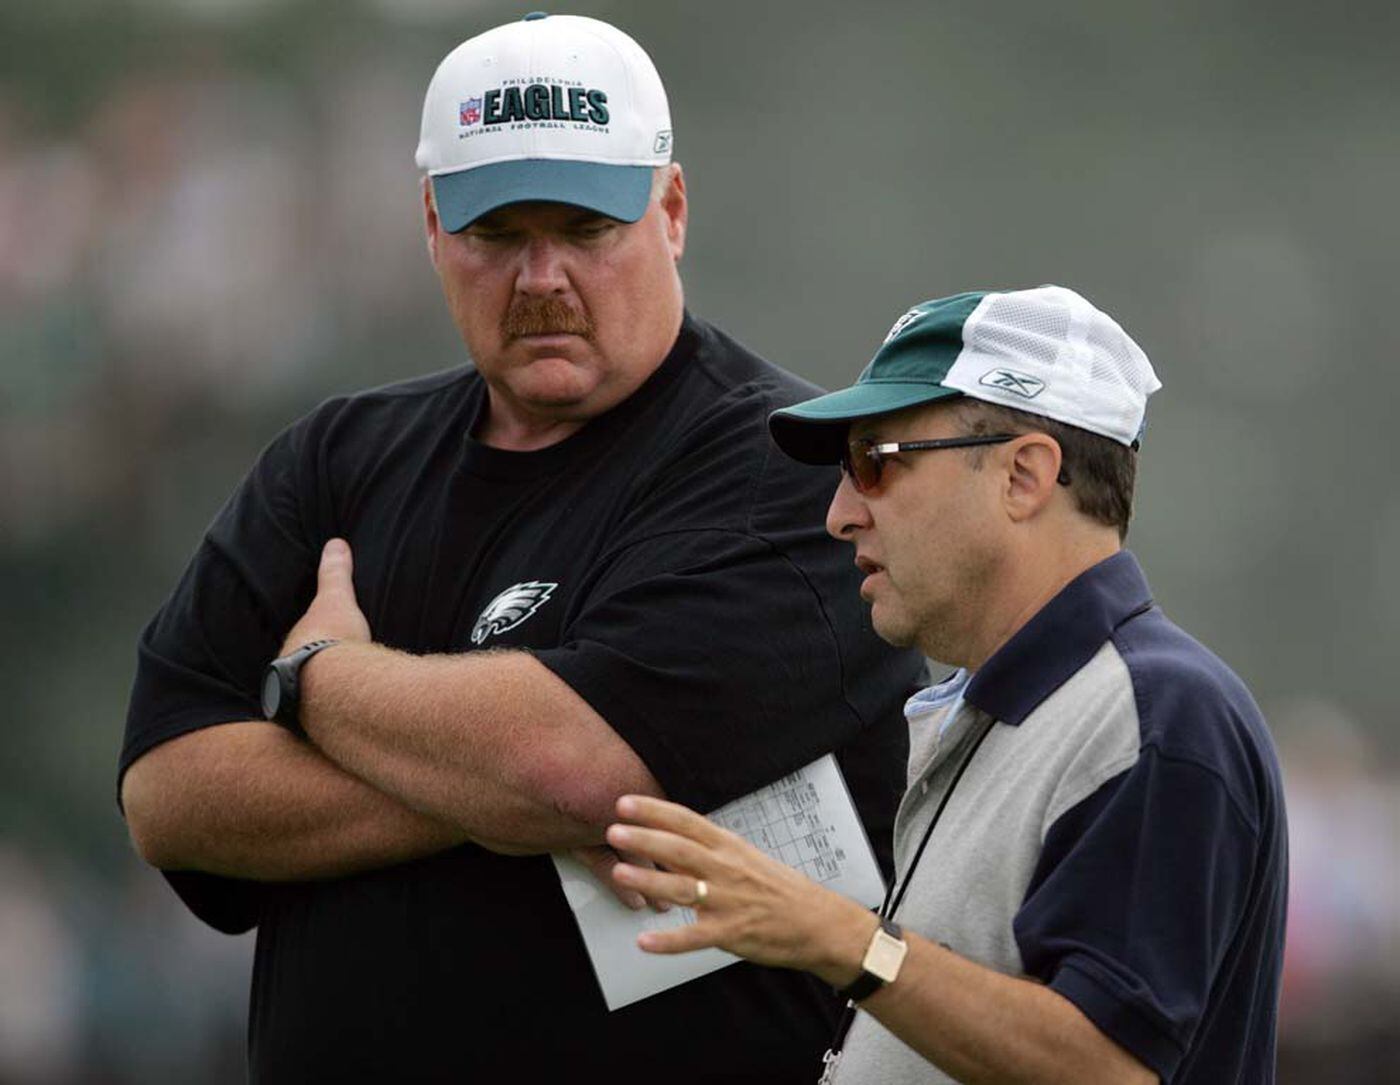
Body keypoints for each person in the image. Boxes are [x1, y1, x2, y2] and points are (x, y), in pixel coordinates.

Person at [116, 14, 925, 1083]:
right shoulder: (333, 461)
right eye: (497, 231)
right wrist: (500, 784)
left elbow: (567, 765)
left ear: (669, 210)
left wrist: (319, 678)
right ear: (432, 225)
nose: (541, 275)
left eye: (585, 226)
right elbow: (166, 795)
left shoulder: (797, 470)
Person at [605, 285, 1289, 1084]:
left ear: (1024, 475)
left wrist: (834, 935)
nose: (839, 513)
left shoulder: (1158, 712)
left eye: (874, 462)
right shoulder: (1007, 708)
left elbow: (1108, 1066)